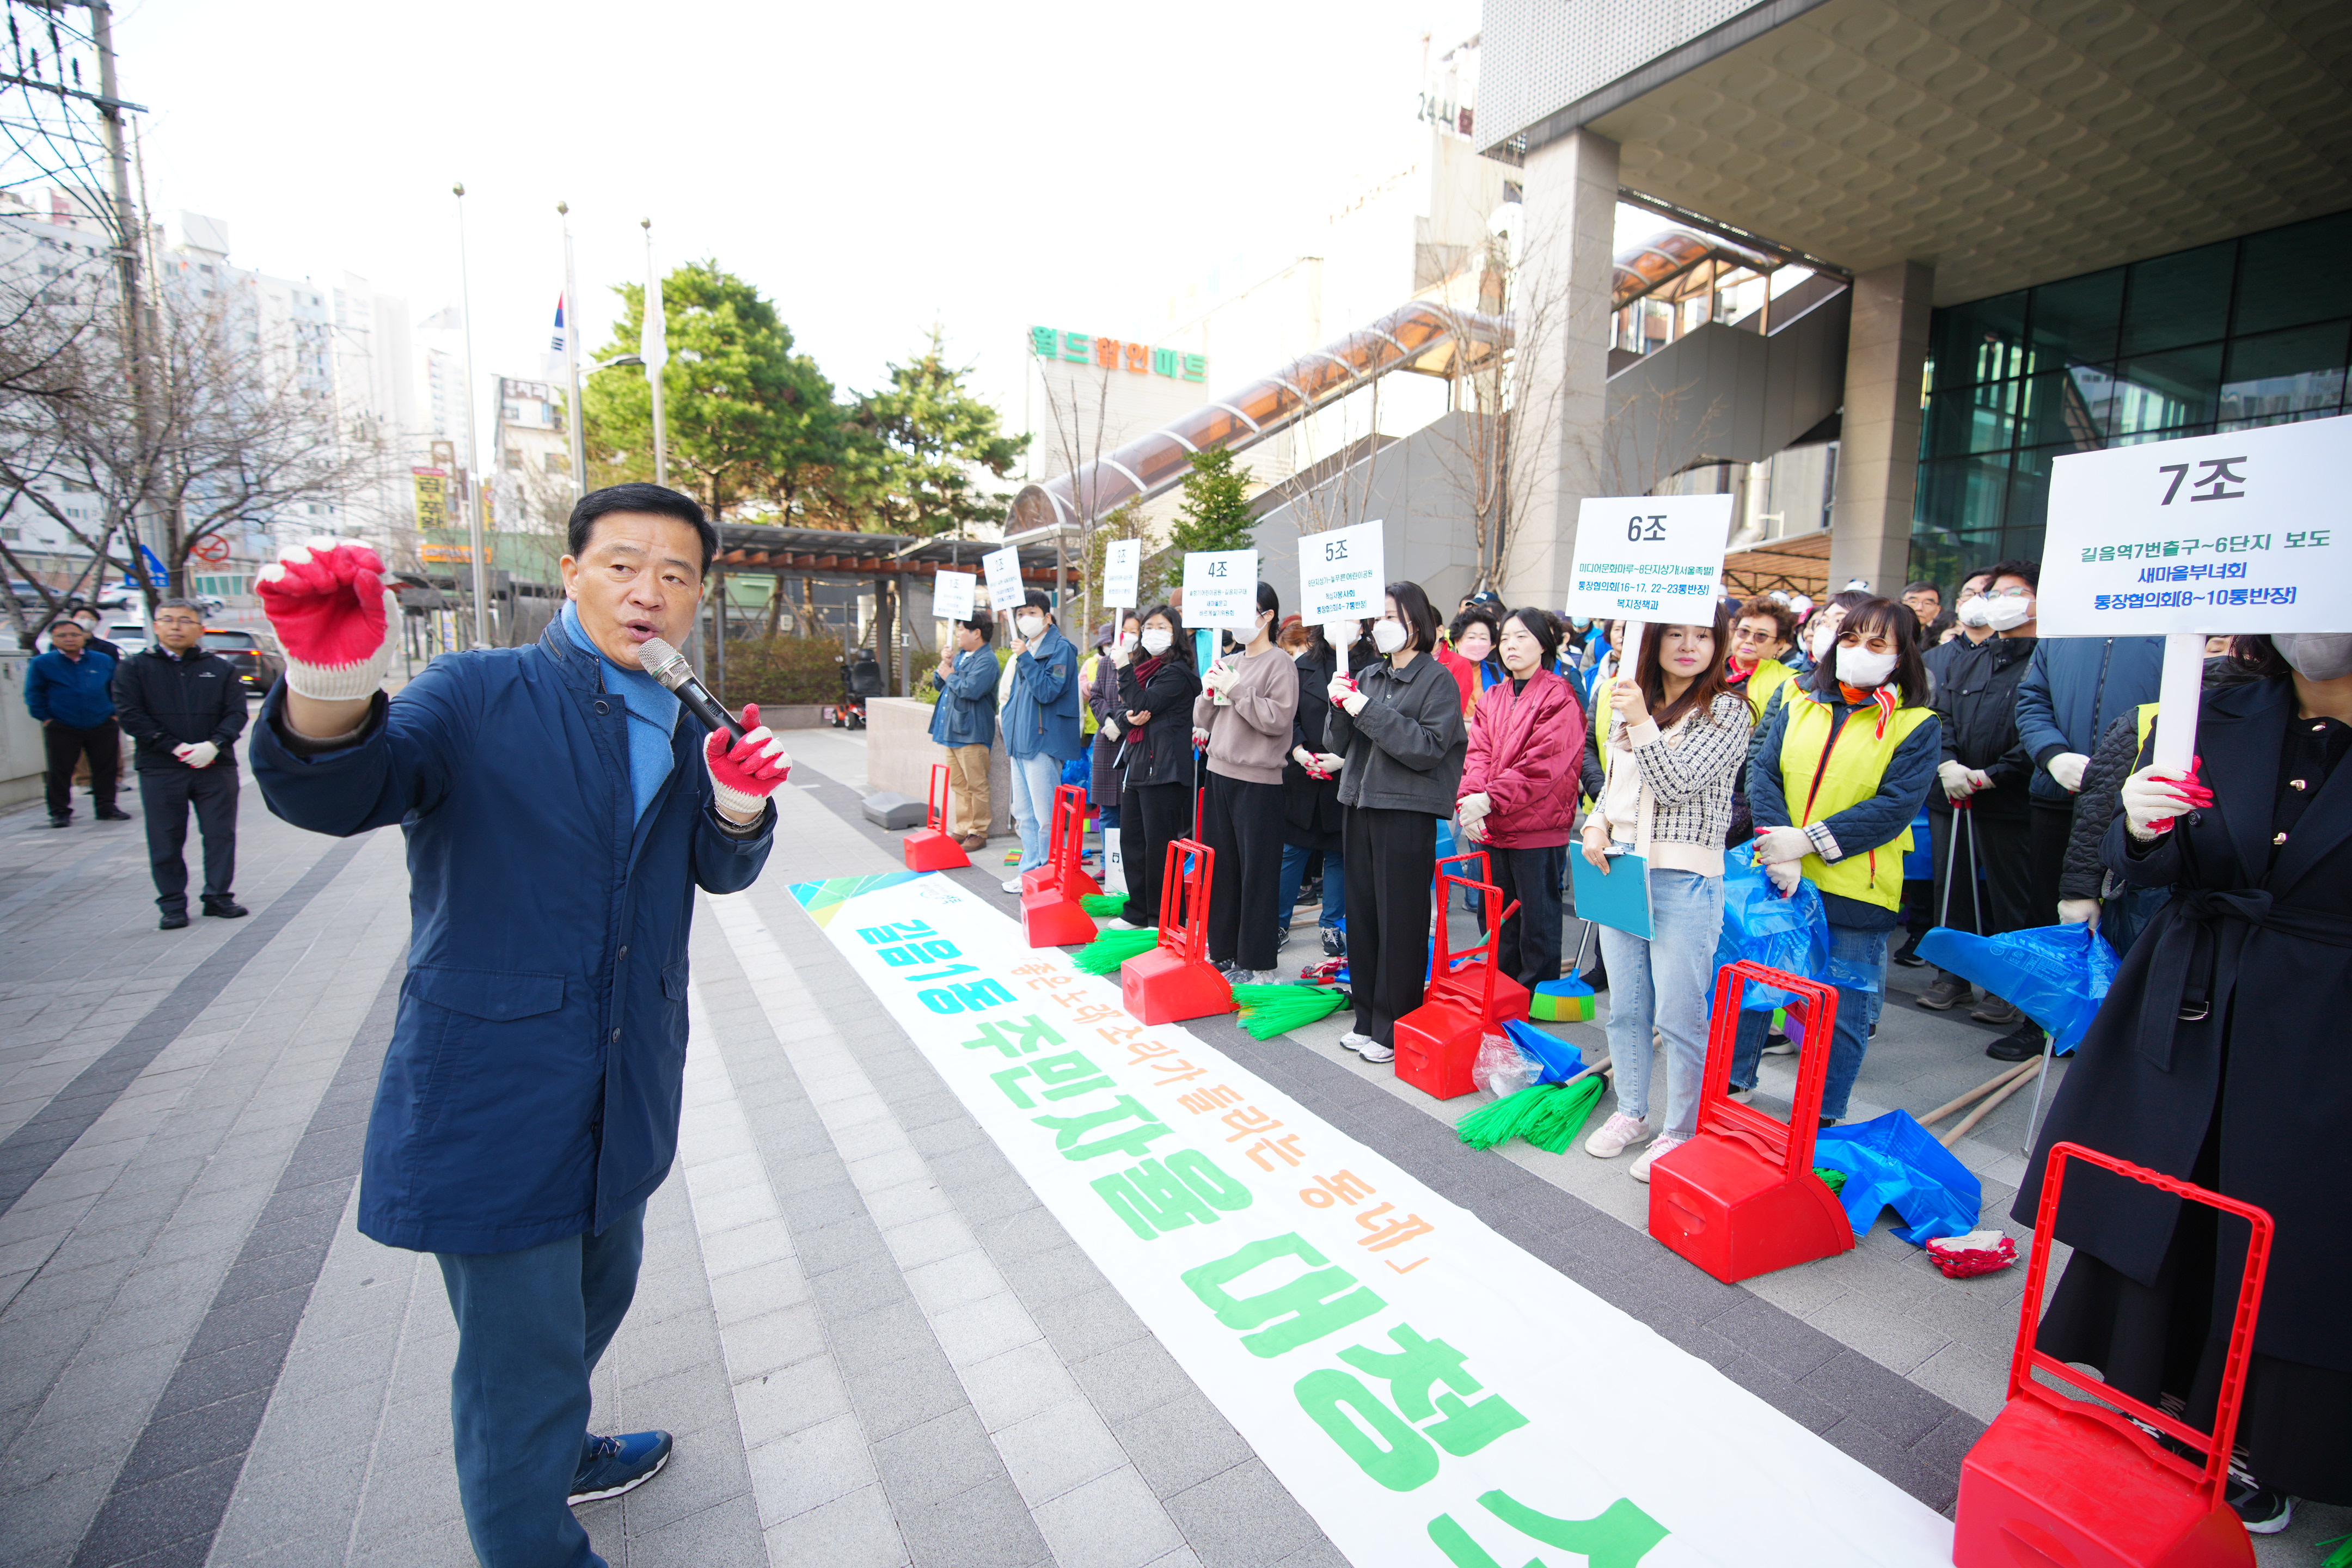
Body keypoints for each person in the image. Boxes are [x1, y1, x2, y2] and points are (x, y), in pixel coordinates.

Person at [248, 485, 787, 1568]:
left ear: (698, 596)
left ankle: (560, 1451)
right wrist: (329, 687)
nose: (648, 592)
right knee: (518, 1364)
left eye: (676, 574)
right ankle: (532, 1534)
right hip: (497, 1093)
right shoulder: (478, 692)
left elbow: (716, 869)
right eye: (623, 564)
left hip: (625, 1082)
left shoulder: (687, 715)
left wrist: (737, 807)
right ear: (573, 573)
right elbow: (344, 791)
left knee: (597, 1294)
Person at [2016, 633, 2352, 1533]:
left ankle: (2266, 1444)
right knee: (2174, 1201)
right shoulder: (2210, 705)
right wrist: (2138, 827)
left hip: (2324, 1020)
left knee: (2297, 1234)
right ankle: (2152, 1392)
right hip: (2196, 993)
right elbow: (2152, 866)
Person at [1738, 597, 1940, 1124]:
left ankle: (1822, 1115)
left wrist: (1806, 842)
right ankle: (1734, 1085)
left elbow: (1894, 807)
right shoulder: (1799, 697)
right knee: (1757, 985)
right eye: (1850, 638)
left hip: (1856, 886)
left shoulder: (1916, 723)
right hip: (1780, 873)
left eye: (1877, 643)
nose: (1859, 650)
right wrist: (1776, 845)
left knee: (1843, 1007)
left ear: (1902, 655)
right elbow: (1765, 772)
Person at [1576, 602, 1752, 1178]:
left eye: (1703, 635)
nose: (1688, 645)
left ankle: (1680, 1130)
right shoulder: (1636, 700)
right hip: (1620, 872)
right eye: (1675, 633)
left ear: (1719, 645)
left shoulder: (1728, 710)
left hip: (1684, 880)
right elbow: (1614, 787)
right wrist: (1596, 824)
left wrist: (1639, 721)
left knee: (1680, 1015)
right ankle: (1632, 1112)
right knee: (1627, 1008)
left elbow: (1675, 784)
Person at [1324, 582, 1466, 1064]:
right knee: (1363, 916)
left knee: (1400, 921)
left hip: (1405, 810)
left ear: (1417, 624)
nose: (1382, 625)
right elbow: (1338, 744)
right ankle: (1366, 1017)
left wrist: (1365, 709)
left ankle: (1394, 1024)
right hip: (1360, 804)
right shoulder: (1368, 674)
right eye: (1379, 617)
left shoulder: (1437, 680)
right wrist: (1338, 704)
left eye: (1392, 616)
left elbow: (1426, 747)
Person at [1914, 562, 2041, 1051]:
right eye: (1996, 593)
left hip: (2010, 798)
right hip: (1954, 792)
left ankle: (2008, 988)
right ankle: (1952, 976)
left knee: (2013, 898)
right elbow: (1940, 714)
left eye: (2016, 592)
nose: (2001, 601)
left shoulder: (2046, 658)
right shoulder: (1972, 658)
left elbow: (2038, 726)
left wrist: (1995, 774)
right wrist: (1948, 764)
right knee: (1953, 889)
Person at [1459, 608, 1588, 993]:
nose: (1511, 645)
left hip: (1537, 828)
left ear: (1544, 644)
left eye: (1522, 637)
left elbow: (1543, 765)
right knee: (1496, 917)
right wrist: (1470, 801)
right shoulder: (1493, 697)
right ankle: (1501, 992)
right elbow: (1477, 756)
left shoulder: (1559, 695)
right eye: (1506, 638)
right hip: (1492, 825)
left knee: (1538, 922)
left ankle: (1535, 997)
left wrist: (1490, 798)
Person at [2014, 623, 2164, 926]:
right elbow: (2032, 700)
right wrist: (2052, 754)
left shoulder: (2171, 628)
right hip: (2058, 792)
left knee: (2127, 916)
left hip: (2134, 800)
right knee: (2047, 912)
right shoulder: (2062, 632)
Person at [111, 601, 250, 926]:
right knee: (166, 838)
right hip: (161, 767)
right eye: (168, 620)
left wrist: (214, 745)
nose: (176, 626)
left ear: (200, 629)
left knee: (220, 835)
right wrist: (174, 747)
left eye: (186, 621)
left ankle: (218, 896)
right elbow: (131, 715)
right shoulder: (134, 668)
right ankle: (172, 905)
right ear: (156, 626)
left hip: (215, 765)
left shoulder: (221, 669)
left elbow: (236, 713)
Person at [1193, 583, 1300, 983]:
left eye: (1247, 611)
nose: (1238, 621)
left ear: (1267, 616)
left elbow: (1277, 720)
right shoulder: (1229, 661)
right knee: (1222, 869)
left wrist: (1236, 690)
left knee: (1257, 874)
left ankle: (1257, 961)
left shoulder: (1280, 663)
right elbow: (1201, 718)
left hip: (1259, 781)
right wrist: (1209, 691)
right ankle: (1223, 951)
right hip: (1219, 773)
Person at [1112, 604, 1201, 928]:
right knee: (1133, 842)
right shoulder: (1144, 669)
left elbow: (1143, 703)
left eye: (1162, 627)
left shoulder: (1177, 673)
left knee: (1160, 849)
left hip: (1164, 770)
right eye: (1149, 627)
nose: (1153, 633)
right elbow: (1127, 711)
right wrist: (1128, 717)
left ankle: (1163, 917)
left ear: (1176, 634)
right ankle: (1137, 910)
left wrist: (1124, 669)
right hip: (1138, 765)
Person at [1000, 588, 1083, 893]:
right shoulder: (1025, 650)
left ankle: (1047, 876)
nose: (1025, 619)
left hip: (1043, 743)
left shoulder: (1061, 649)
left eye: (1032, 613)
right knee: (1024, 815)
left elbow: (1049, 691)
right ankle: (1029, 873)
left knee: (1045, 817)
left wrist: (1024, 657)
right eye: (1020, 614)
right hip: (1020, 742)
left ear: (1047, 617)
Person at [1279, 620, 1351, 955]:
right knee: (1292, 851)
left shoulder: (1372, 666)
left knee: (1339, 855)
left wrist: (1345, 759)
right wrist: (1298, 751)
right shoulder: (1302, 665)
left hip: (1347, 775)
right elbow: (1288, 716)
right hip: (1303, 771)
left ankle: (1332, 925)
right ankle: (1278, 922)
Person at [26, 616, 128, 830]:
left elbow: (117, 688)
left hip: (102, 722)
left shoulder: (102, 660)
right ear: (53, 639)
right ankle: (60, 812)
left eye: (74, 635)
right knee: (60, 770)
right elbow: (34, 693)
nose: (69, 639)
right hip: (62, 724)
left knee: (106, 768)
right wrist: (46, 718)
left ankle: (107, 807)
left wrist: (114, 713)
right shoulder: (42, 663)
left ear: (84, 637)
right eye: (62, 636)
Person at [927, 614, 998, 852]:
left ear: (976, 633)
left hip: (972, 731)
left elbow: (972, 690)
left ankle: (978, 831)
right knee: (959, 784)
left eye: (961, 630)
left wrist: (950, 675)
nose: (957, 634)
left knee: (977, 785)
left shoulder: (987, 660)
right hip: (953, 730)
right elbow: (940, 684)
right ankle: (963, 827)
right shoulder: (960, 657)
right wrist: (945, 664)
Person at [1086, 614, 1143, 893]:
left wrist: (1121, 724)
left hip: (1133, 740)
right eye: (1125, 630)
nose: (1130, 635)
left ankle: (1129, 868)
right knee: (1109, 811)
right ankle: (1109, 864)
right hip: (1107, 742)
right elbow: (1096, 696)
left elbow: (1141, 701)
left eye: (1135, 630)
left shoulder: (1145, 663)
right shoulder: (1106, 663)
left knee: (1132, 811)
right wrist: (1107, 719)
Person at [1437, 606, 1502, 716]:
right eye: (1471, 637)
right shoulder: (1441, 669)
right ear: (1457, 642)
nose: (1478, 643)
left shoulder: (1499, 673)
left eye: (1484, 638)